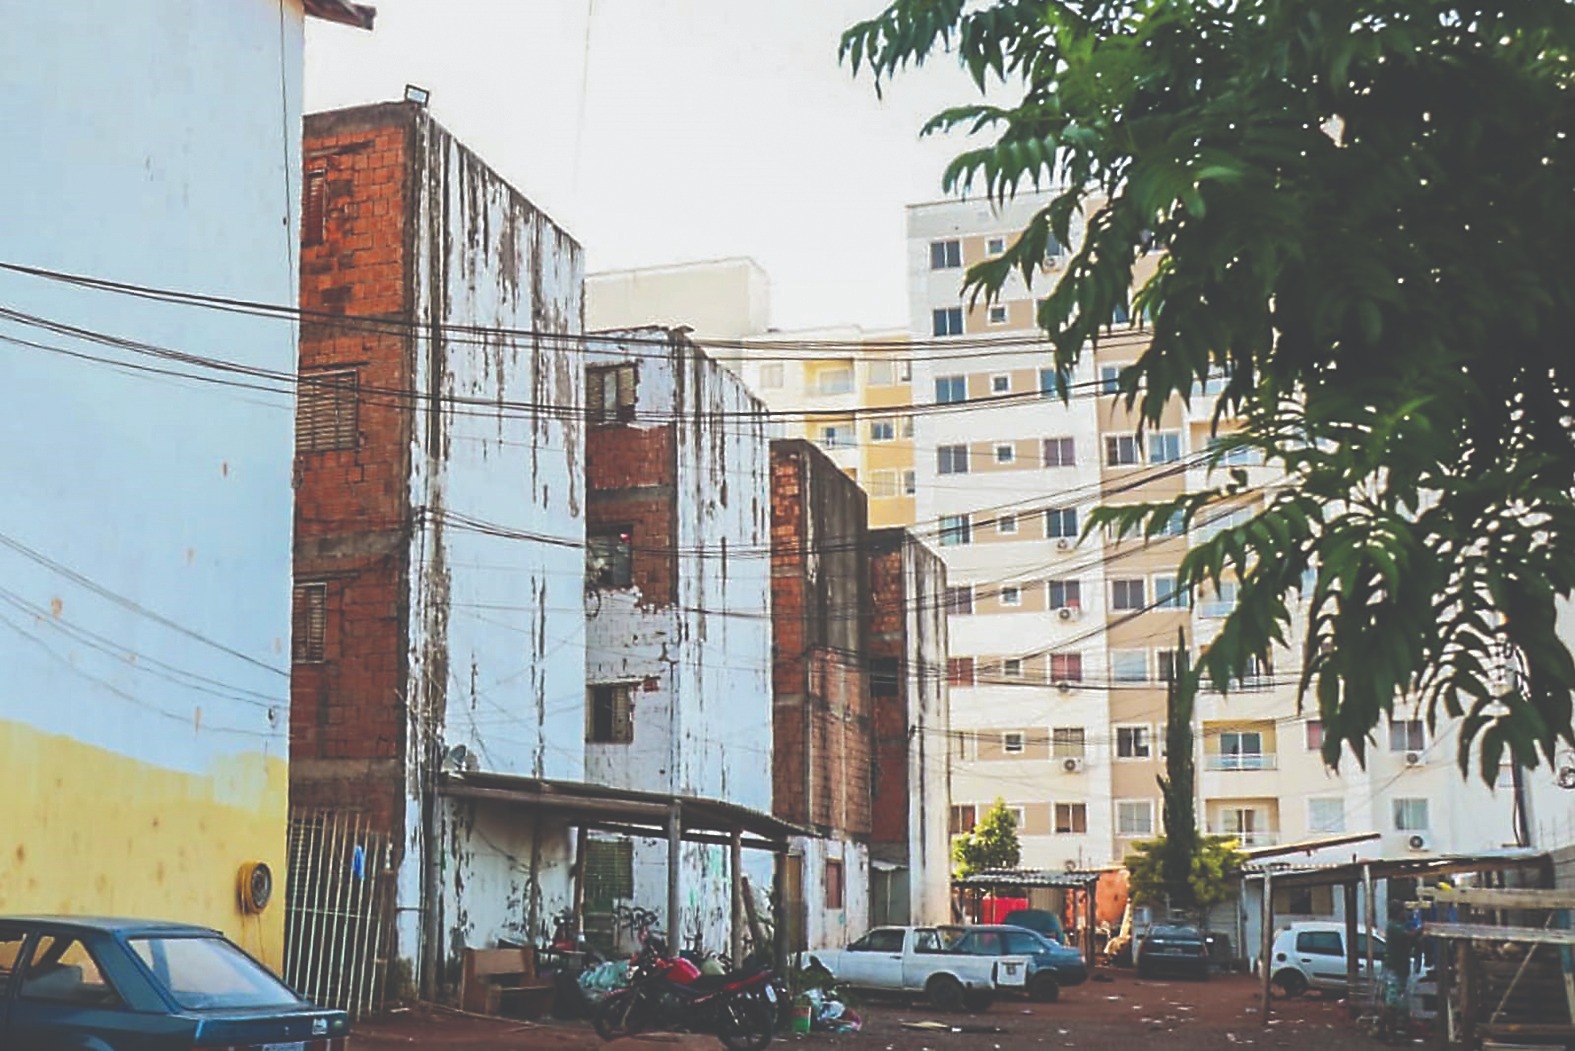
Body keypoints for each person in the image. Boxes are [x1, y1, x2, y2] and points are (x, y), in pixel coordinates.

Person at [1380, 900, 1418, 1044]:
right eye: (1403, 910)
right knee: (1392, 1004)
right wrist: (1423, 929)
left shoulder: (1400, 926)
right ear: (1397, 912)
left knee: (1392, 1003)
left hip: (1400, 968)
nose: (1405, 913)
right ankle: (1390, 1034)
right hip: (1394, 969)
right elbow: (1409, 936)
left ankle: (1381, 1030)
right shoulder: (1393, 926)